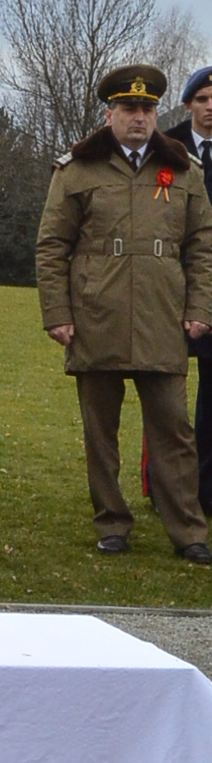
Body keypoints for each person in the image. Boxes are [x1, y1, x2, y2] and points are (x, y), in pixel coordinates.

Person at [34, 64, 212, 562]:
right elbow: (51, 247)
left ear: (157, 113)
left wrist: (200, 308)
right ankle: (112, 523)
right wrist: (57, 313)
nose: (139, 117)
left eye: (148, 109)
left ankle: (190, 532)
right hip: (97, 317)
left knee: (174, 433)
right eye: (129, 108)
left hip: (163, 317)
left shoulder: (183, 171)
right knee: (101, 433)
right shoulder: (77, 170)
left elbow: (202, 248)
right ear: (109, 113)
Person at [185, 67, 212, 515]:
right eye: (204, 98)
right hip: (168, 288)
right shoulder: (166, 147)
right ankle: (162, 486)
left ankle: (206, 490)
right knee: (162, 395)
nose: (211, 107)